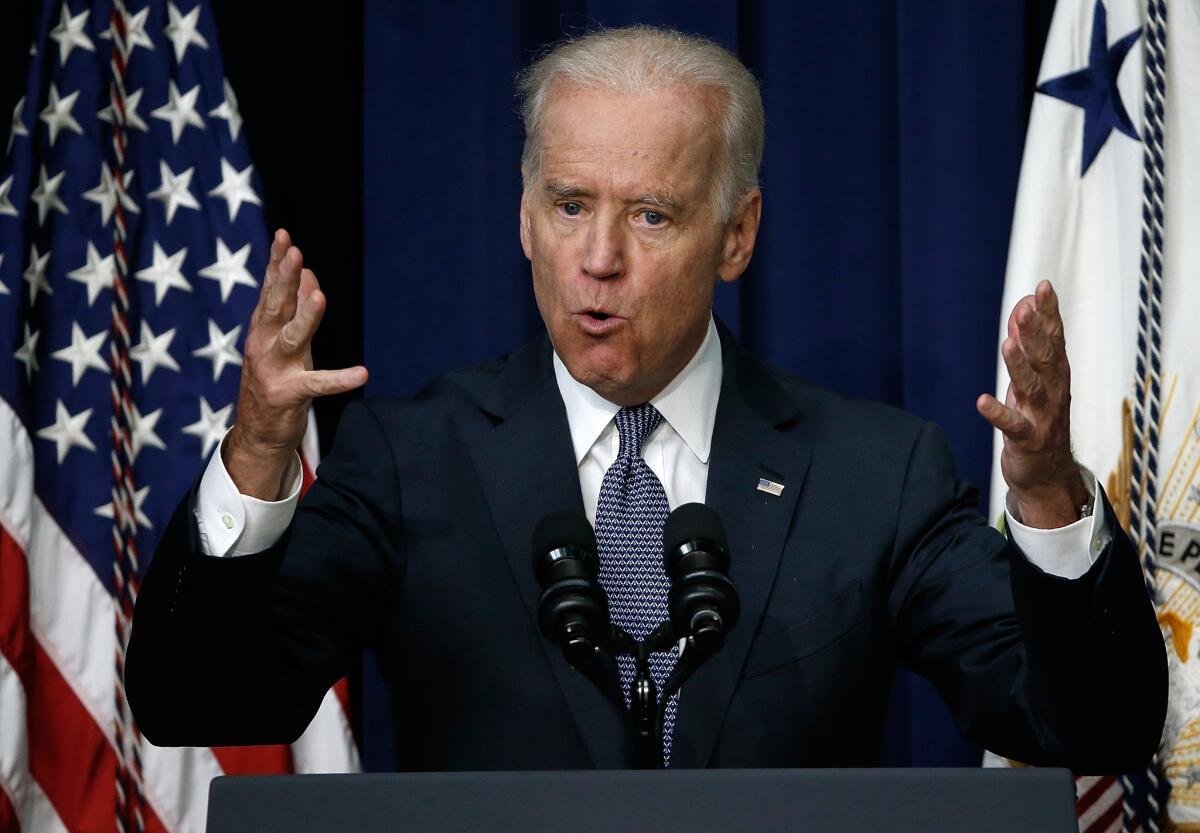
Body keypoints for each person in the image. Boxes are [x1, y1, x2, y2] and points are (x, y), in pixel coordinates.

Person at [126, 25, 1165, 771]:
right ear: (526, 217)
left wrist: (1046, 500)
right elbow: (197, 701)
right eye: (569, 205)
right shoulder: (413, 455)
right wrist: (260, 455)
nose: (599, 259)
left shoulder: (872, 472)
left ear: (739, 234)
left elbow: (1089, 729)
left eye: (653, 215)